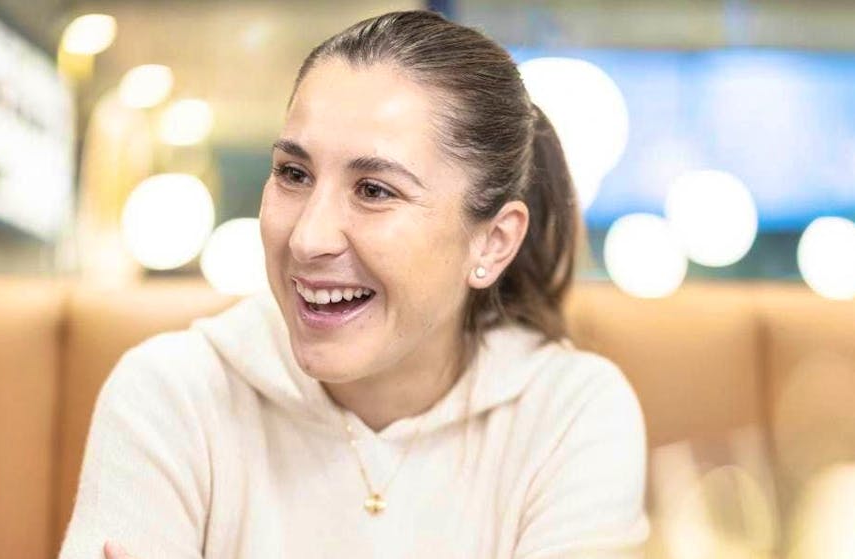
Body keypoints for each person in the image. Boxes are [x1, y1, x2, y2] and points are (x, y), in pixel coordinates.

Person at [59, 9, 649, 559]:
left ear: (492, 242)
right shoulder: (171, 393)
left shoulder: (571, 413)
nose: (308, 238)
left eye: (374, 190)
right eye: (293, 174)